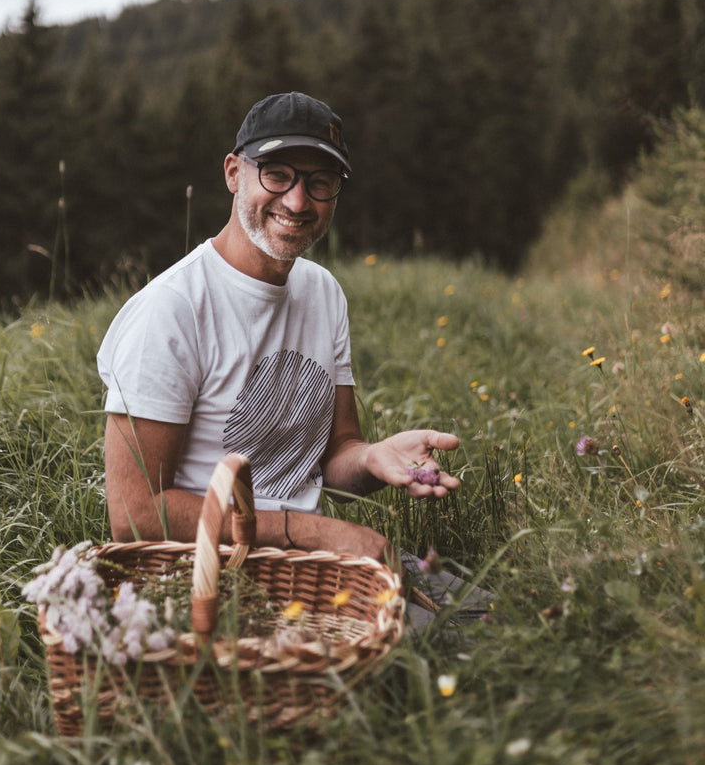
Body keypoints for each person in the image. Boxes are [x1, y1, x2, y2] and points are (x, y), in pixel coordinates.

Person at [99, 91, 460, 563]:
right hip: (204, 576)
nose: (297, 200)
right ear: (233, 173)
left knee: (486, 621)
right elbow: (134, 513)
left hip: (308, 567)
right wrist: (310, 533)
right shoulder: (172, 310)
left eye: (320, 182)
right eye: (277, 174)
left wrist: (372, 458)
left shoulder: (323, 292)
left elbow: (336, 455)